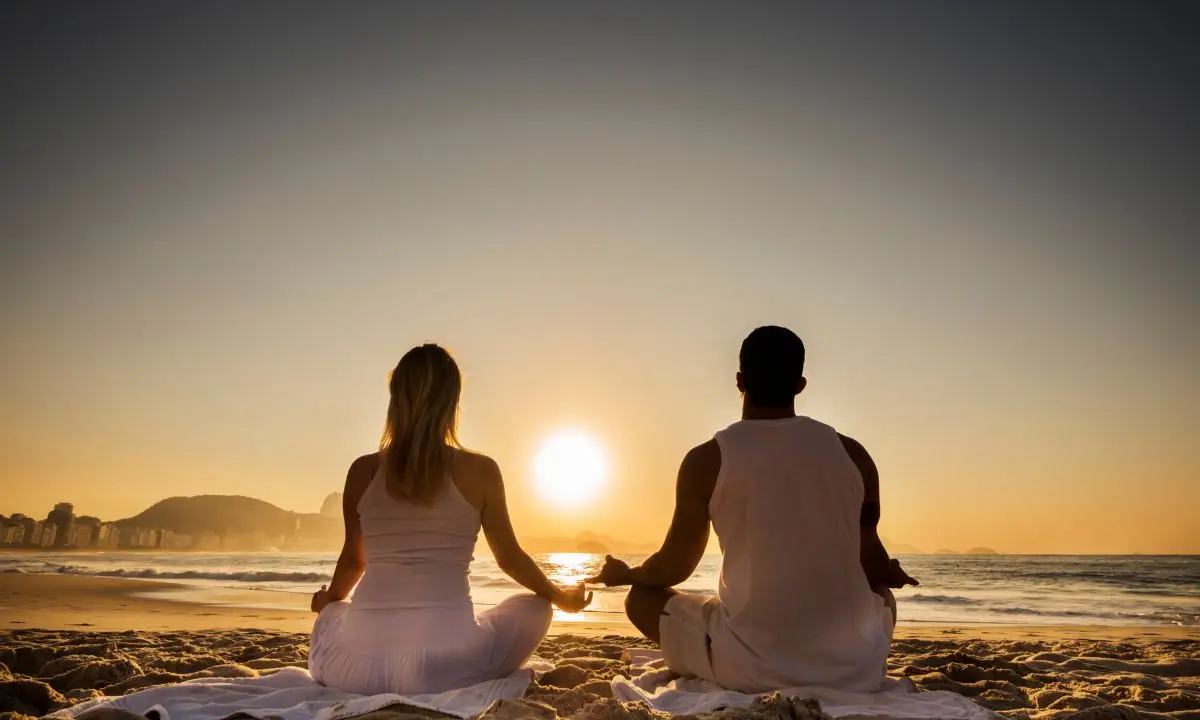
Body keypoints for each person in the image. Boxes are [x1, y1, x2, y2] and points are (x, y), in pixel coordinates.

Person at [588, 326, 918, 693]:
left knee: (642, 599)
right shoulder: (854, 455)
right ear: (800, 384)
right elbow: (871, 561)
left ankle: (712, 653)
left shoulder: (706, 460)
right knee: (881, 596)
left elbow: (674, 566)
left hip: (748, 671)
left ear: (740, 380)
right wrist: (888, 572)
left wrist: (627, 575)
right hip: (855, 672)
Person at [308, 344, 591, 695]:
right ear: (452, 401)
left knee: (333, 614)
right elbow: (509, 558)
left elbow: (354, 559)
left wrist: (329, 601)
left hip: (354, 670)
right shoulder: (481, 470)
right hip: (443, 669)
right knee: (536, 607)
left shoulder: (362, 471)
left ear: (396, 398)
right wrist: (559, 596)